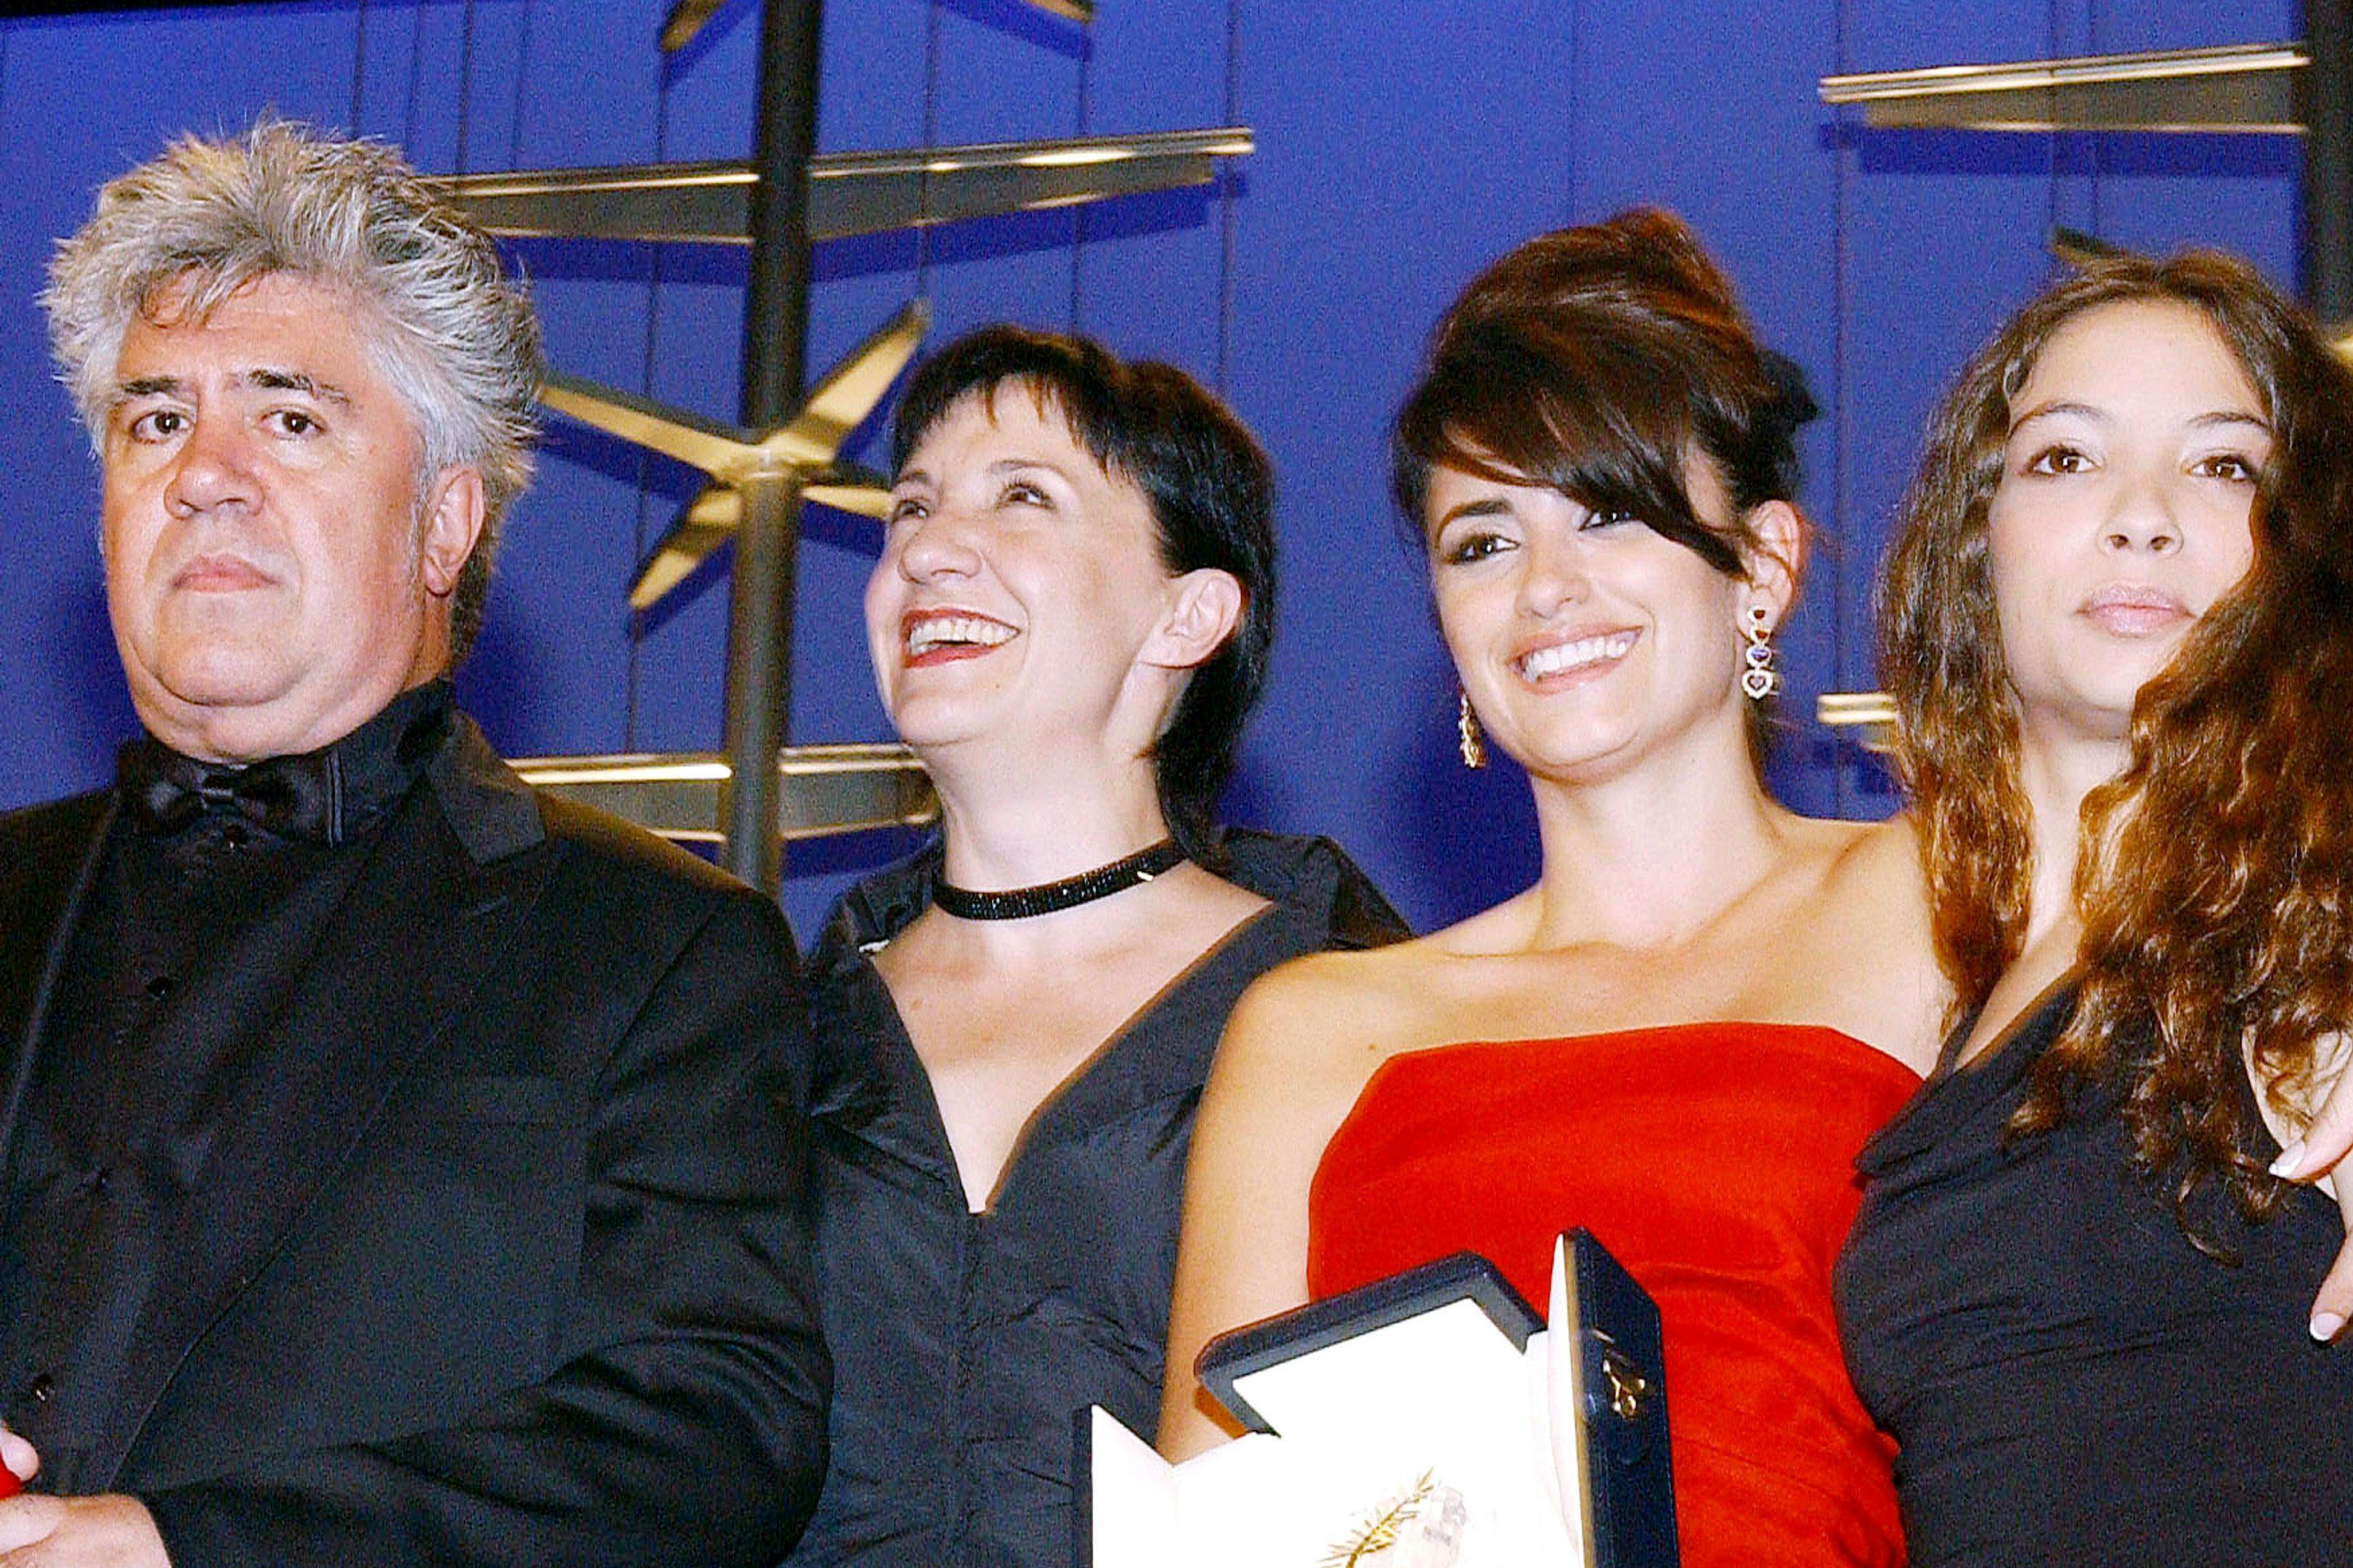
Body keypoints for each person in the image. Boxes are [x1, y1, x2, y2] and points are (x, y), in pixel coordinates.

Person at [0, 122, 826, 1567]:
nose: (205, 473)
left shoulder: (658, 951)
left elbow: (711, 1430)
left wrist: (191, 1549)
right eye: (155, 419)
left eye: (291, 416)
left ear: (446, 523)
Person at [1158, 209, 1946, 1568]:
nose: (1547, 589)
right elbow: (1206, 1520)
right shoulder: (1312, 1028)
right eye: (1483, 541)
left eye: (1611, 515)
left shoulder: (1950, 902)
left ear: (1763, 566)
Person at [784, 326, 1407, 1568]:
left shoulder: (1342, 999)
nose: (929, 549)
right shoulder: (782, 1024)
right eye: (910, 508)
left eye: (1023, 497)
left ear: (1188, 613)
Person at [1837, 248, 2353, 1564]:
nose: (2143, 515)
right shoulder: (1955, 962)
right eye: (2066, 458)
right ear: (1979, 533)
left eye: (2224, 465)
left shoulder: (2319, 904)